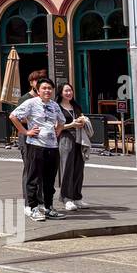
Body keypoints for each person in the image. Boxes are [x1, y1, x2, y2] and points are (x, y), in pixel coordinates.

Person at [10, 76, 64, 221]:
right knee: (33, 177)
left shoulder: (54, 105)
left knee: (49, 179)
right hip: (36, 145)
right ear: (38, 90)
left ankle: (48, 207)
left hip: (52, 147)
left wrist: (57, 132)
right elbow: (13, 116)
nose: (47, 91)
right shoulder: (31, 103)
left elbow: (62, 121)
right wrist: (25, 131)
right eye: (44, 88)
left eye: (49, 88)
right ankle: (32, 208)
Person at [55, 82, 91, 211]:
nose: (69, 93)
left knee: (79, 168)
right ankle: (66, 198)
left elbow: (80, 119)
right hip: (65, 138)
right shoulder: (56, 107)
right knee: (67, 169)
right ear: (60, 93)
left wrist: (82, 122)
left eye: (70, 90)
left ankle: (77, 197)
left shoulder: (76, 106)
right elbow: (56, 127)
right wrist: (72, 124)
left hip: (79, 139)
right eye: (66, 91)